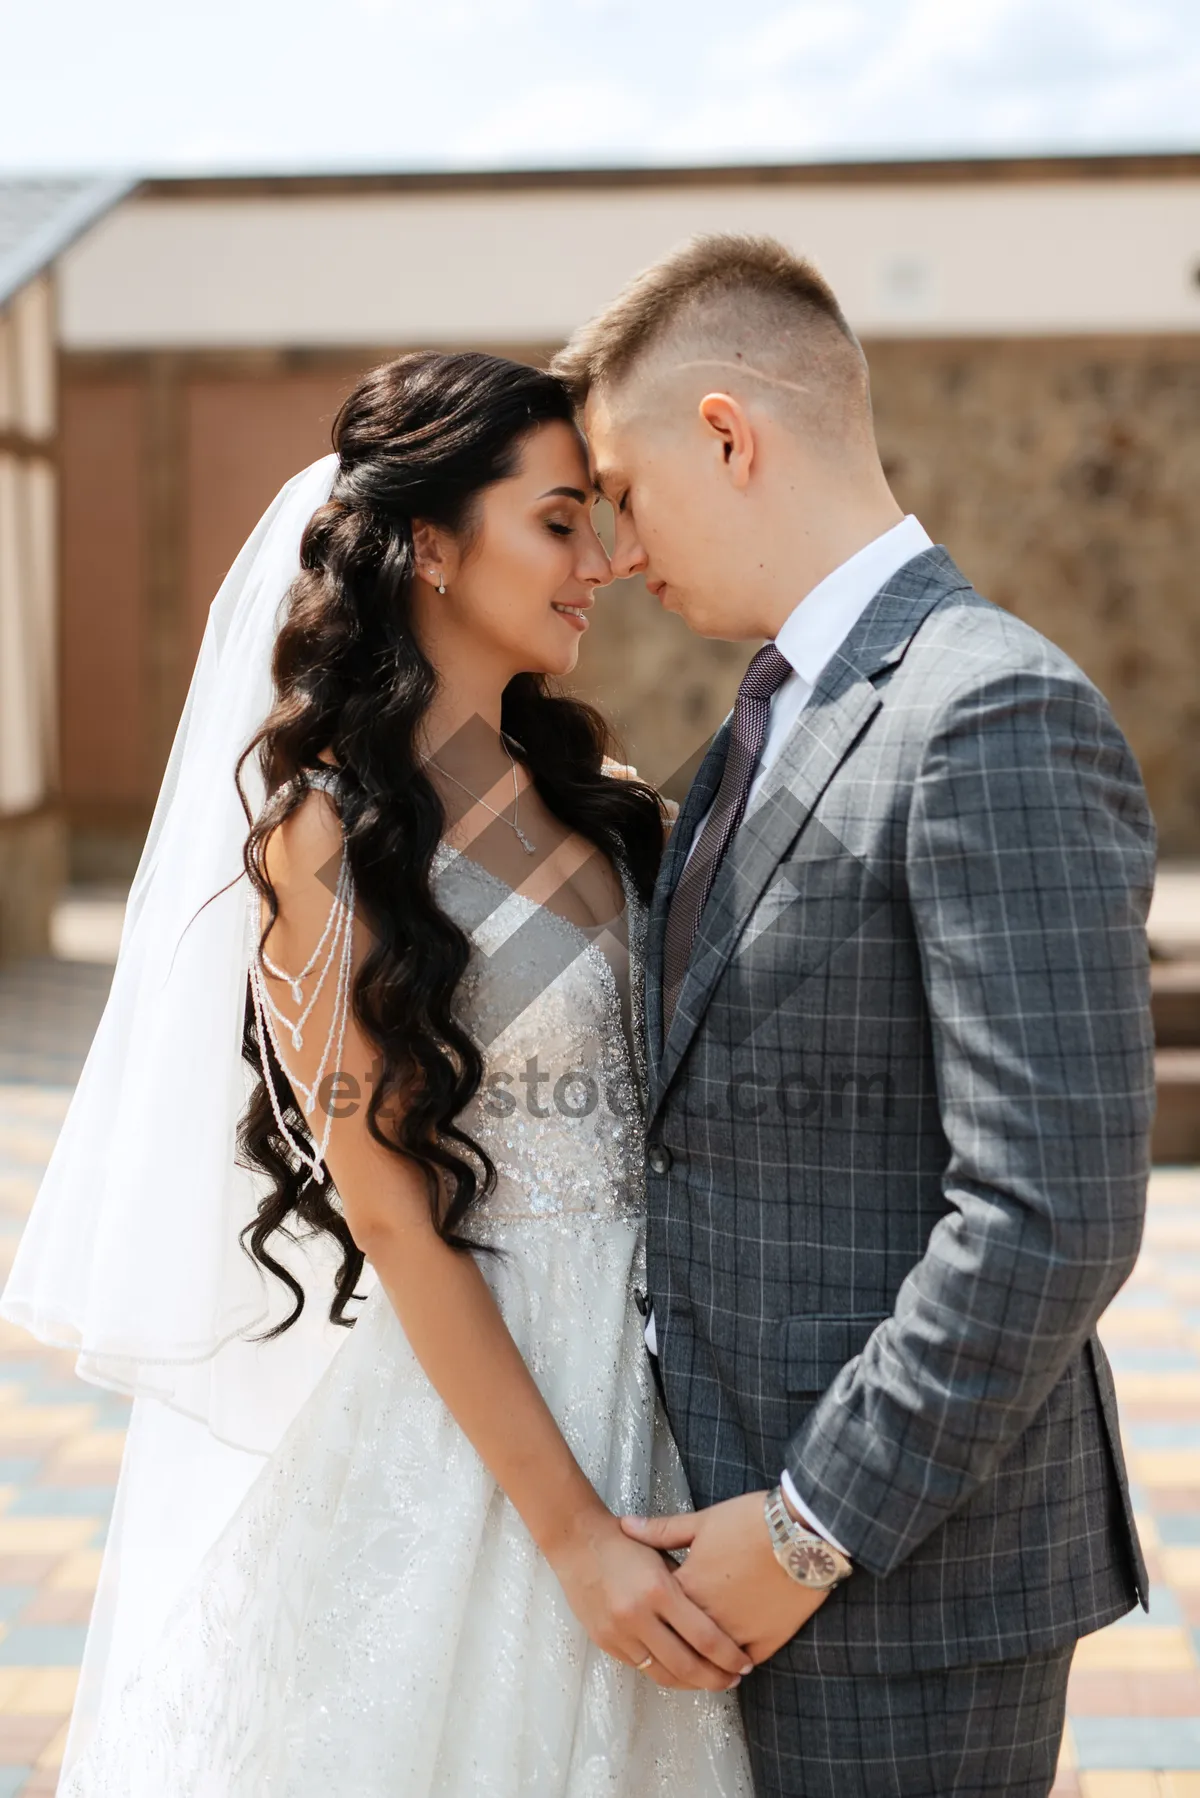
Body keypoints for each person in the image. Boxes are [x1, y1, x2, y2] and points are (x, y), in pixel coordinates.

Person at [1, 351, 754, 1795]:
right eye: (556, 520)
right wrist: (580, 1540)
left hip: (677, 1383)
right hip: (495, 1418)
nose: (596, 558)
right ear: (428, 543)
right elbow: (396, 1218)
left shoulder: (593, 805)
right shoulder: (325, 841)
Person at [550, 234, 1158, 1798]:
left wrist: (813, 1523)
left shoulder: (989, 712)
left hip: (904, 1589)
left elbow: (1052, 1209)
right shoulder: (772, 708)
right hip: (726, 1554)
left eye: (620, 486)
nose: (611, 549)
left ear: (729, 437)